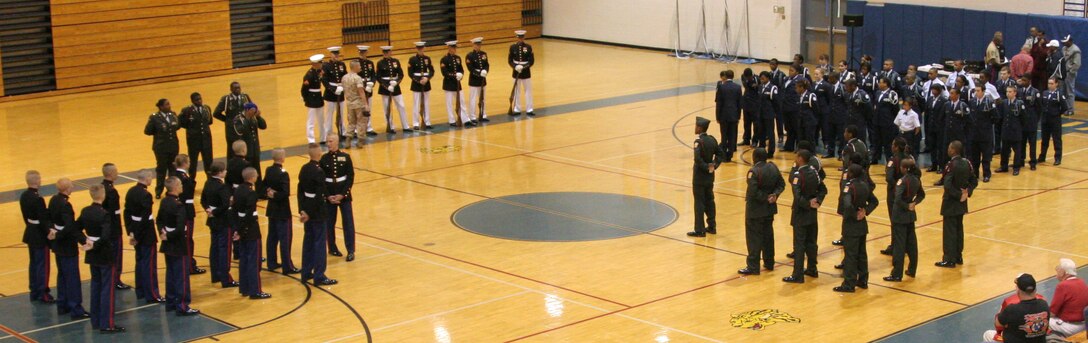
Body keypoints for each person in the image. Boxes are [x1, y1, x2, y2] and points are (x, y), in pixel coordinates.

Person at [78, 185, 124, 332]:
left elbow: (75, 227)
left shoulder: (85, 211)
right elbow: (105, 237)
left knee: (95, 286)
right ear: (102, 195)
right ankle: (107, 323)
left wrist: (86, 241)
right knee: (107, 289)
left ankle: (96, 320)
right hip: (104, 254)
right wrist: (95, 244)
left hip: (92, 255)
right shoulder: (104, 214)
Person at [157, 177, 200, 315]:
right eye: (180, 184)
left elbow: (159, 220)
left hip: (167, 243)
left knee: (170, 273)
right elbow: (181, 227)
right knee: (181, 275)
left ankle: (170, 302)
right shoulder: (179, 206)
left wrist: (163, 233)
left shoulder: (164, 201)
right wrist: (169, 235)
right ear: (175, 187)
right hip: (178, 244)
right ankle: (182, 305)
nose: (182, 186)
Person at [738, 147, 784, 275]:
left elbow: (753, 192)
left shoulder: (754, 171)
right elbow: (782, 184)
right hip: (769, 209)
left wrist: (765, 198)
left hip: (755, 210)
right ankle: (769, 262)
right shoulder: (773, 167)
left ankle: (753, 266)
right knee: (768, 236)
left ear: (755, 158)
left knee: (754, 238)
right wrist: (774, 195)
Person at [782, 150, 826, 284]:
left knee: (799, 244)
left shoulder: (798, 175)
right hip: (812, 213)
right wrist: (817, 201)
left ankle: (797, 275)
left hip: (801, 213)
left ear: (800, 159)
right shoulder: (814, 172)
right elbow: (823, 190)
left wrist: (807, 204)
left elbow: (797, 196)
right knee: (811, 242)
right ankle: (812, 269)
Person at [834, 164, 879, 293]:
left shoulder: (849, 186)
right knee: (862, 254)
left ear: (852, 173)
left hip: (851, 224)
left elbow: (847, 205)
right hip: (862, 225)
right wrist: (865, 211)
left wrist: (854, 215)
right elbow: (874, 201)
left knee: (850, 255)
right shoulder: (865, 185)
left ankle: (849, 283)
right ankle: (863, 280)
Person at [299, 143, 339, 286]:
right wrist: (309, 213)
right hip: (317, 212)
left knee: (308, 241)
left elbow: (300, 191)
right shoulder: (319, 171)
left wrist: (302, 210)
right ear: (319, 154)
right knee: (320, 243)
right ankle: (319, 275)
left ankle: (306, 272)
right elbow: (318, 194)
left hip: (306, 208)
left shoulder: (304, 169)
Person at [48, 178, 88, 318]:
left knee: (62, 275)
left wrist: (53, 232)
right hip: (66, 244)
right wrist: (83, 240)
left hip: (58, 245)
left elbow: (49, 218)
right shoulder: (66, 205)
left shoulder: (53, 199)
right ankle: (76, 308)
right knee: (72, 277)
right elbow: (70, 227)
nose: (73, 187)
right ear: (66, 189)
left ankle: (62, 304)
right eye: (71, 185)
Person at [935, 141, 977, 268]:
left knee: (949, 232)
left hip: (951, 202)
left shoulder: (951, 165)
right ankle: (958, 256)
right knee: (959, 229)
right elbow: (974, 180)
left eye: (949, 148)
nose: (948, 150)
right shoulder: (967, 163)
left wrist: (958, 195)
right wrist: (967, 192)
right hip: (962, 203)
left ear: (954, 150)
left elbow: (947, 185)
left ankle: (949, 259)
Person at [125, 170, 164, 303]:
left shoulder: (130, 191)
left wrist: (131, 232)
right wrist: (137, 234)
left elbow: (126, 213)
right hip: (145, 233)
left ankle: (140, 290)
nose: (151, 179)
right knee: (149, 264)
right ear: (147, 178)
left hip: (135, 229)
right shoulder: (146, 195)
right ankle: (152, 294)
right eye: (151, 177)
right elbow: (144, 218)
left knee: (140, 261)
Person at [233, 168, 271, 299]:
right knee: (253, 261)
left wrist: (237, 230)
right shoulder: (251, 193)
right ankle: (255, 290)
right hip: (251, 229)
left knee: (244, 259)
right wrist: (243, 230)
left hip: (241, 227)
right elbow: (249, 215)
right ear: (252, 178)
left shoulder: (238, 190)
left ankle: (244, 288)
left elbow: (235, 211)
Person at [885, 158, 923, 282]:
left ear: (905, 169)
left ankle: (897, 274)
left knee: (899, 246)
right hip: (910, 216)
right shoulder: (916, 180)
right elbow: (922, 194)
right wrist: (914, 203)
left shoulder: (902, 181)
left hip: (900, 216)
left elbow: (897, 198)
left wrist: (906, 206)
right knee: (912, 244)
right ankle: (912, 270)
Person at [200, 161, 237, 288]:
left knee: (214, 247)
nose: (226, 172)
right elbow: (226, 204)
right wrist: (215, 212)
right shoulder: (221, 186)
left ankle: (215, 275)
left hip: (212, 220)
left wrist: (208, 210)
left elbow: (203, 200)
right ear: (220, 172)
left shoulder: (208, 182)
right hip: (223, 220)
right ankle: (225, 278)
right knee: (224, 249)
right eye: (224, 170)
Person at [20, 170, 54, 303]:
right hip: (39, 235)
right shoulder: (38, 199)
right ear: (37, 181)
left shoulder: (24, 195)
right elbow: (43, 219)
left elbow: (25, 216)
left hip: (30, 232)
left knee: (33, 263)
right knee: (42, 265)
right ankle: (43, 292)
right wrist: (48, 232)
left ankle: (34, 290)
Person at [321, 135, 357, 260]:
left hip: (343, 195)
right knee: (329, 223)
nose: (328, 143)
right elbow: (322, 180)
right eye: (327, 141)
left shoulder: (345, 157)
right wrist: (327, 195)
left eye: (331, 141)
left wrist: (343, 194)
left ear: (336, 142)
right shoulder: (324, 159)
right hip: (330, 194)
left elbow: (350, 177)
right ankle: (332, 247)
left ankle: (351, 250)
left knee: (348, 223)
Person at [986, 274, 1050, 343]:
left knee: (987, 335)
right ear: (1035, 289)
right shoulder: (1044, 304)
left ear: (1017, 290)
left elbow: (998, 324)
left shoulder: (1011, 309)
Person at [688, 117, 724, 237]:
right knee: (710, 201)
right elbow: (720, 154)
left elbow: (697, 159)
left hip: (699, 177)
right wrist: (714, 165)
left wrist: (706, 167)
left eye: (696, 126)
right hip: (710, 177)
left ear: (699, 127)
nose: (695, 128)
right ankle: (712, 226)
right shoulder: (712, 140)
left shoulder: (698, 142)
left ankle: (700, 229)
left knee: (699, 203)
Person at [168, 156, 205, 275]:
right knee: (188, 239)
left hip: (180, 209)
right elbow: (187, 193)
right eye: (188, 161)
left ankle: (188, 263)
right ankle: (189, 266)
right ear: (184, 163)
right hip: (186, 209)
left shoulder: (174, 175)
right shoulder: (183, 178)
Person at [264, 149, 298, 274]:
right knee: (285, 238)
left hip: (271, 209)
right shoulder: (283, 173)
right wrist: (275, 195)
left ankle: (271, 262)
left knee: (272, 237)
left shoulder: (268, 170)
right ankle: (287, 266)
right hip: (282, 210)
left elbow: (263, 185)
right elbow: (285, 193)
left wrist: (269, 192)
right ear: (282, 158)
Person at [144, 98, 180, 199]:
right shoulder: (154, 117)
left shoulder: (173, 115)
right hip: (161, 147)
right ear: (161, 107)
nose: (169, 106)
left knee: (173, 169)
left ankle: (172, 190)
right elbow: (147, 131)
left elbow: (177, 126)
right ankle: (159, 191)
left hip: (173, 146)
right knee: (161, 169)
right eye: (167, 104)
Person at [1048, 258, 1088, 338]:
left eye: (1058, 270)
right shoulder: (1082, 282)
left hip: (1070, 327)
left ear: (1064, 272)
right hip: (1084, 324)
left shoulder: (1062, 286)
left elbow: (1052, 313)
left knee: (1042, 320)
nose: (1056, 272)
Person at [213, 81, 254, 157]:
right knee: (232, 150)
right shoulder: (226, 99)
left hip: (244, 127)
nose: (237, 89)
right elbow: (216, 113)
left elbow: (252, 109)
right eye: (235, 88)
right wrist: (228, 120)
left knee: (246, 148)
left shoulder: (245, 97)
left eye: (239, 88)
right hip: (231, 129)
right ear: (231, 89)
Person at [234, 103, 267, 195]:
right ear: (247, 110)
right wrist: (247, 118)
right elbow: (239, 131)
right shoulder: (238, 118)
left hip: (255, 149)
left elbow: (263, 126)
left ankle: (260, 192)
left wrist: (259, 117)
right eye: (252, 110)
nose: (254, 112)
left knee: (257, 171)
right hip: (245, 150)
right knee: (247, 172)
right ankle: (247, 191)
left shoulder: (254, 118)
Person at [178, 92, 214, 176]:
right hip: (193, 141)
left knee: (209, 161)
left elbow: (209, 121)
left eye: (200, 99)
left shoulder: (206, 108)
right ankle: (191, 181)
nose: (199, 101)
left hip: (206, 140)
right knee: (193, 163)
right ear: (192, 101)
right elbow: (181, 122)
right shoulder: (187, 110)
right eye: (197, 100)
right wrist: (192, 129)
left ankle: (210, 181)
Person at [377, 46, 411, 133]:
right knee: (387, 108)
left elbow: (400, 74)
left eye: (388, 52)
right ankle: (390, 126)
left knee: (401, 105)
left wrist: (396, 82)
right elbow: (378, 77)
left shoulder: (396, 61)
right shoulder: (380, 63)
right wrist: (387, 86)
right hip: (385, 87)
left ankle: (405, 126)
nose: (386, 53)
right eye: (385, 52)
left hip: (395, 86)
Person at [968, 85, 998, 182]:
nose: (976, 92)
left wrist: (987, 125)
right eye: (975, 90)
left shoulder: (989, 102)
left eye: (978, 90)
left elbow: (995, 117)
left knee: (986, 156)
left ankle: (986, 174)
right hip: (974, 133)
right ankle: (975, 174)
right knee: (974, 156)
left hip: (985, 133)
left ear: (983, 91)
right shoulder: (972, 102)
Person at [441, 40, 473, 127]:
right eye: (453, 48)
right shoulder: (444, 59)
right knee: (449, 103)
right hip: (448, 84)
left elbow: (461, 69)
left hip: (457, 84)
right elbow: (444, 73)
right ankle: (451, 120)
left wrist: (461, 75)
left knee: (462, 102)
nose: (455, 50)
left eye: (455, 48)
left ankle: (465, 119)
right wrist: (455, 75)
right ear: (449, 48)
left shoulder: (458, 58)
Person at [998, 86, 1027, 175]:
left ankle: (1016, 167)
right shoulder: (1004, 103)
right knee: (1004, 150)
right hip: (1006, 130)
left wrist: (1018, 127)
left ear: (1015, 93)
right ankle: (1004, 166)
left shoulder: (1019, 103)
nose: (1008, 93)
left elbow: (1024, 118)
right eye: (1007, 91)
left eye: (1010, 92)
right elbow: (1001, 117)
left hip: (1015, 131)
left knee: (1017, 151)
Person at [341, 59, 370, 145]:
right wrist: (366, 104)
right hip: (358, 103)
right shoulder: (357, 78)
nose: (360, 67)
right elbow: (361, 92)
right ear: (355, 67)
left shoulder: (344, 77)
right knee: (361, 122)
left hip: (349, 104)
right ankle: (360, 141)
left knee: (351, 122)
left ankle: (348, 140)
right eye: (359, 66)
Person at [1040, 78, 1069, 165]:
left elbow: (1064, 107)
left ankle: (1057, 158)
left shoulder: (1059, 94)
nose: (1050, 85)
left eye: (1052, 83)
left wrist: (1057, 114)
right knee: (1044, 139)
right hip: (1045, 120)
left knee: (1056, 139)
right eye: (1049, 83)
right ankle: (1042, 156)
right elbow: (1042, 104)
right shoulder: (1045, 93)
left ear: (1056, 84)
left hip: (1055, 120)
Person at [323, 47, 348, 140]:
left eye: (337, 54)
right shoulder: (326, 66)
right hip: (330, 94)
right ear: (331, 54)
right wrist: (333, 89)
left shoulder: (342, 64)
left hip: (340, 91)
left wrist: (343, 87)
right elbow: (324, 80)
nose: (336, 56)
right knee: (329, 115)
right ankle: (328, 134)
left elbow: (345, 77)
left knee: (341, 113)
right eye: (334, 54)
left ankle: (342, 131)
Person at [716, 70, 742, 161]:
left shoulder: (721, 87)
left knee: (724, 136)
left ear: (726, 76)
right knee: (731, 136)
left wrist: (717, 116)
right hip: (733, 115)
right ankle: (729, 155)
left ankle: (723, 155)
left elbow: (719, 103)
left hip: (723, 115)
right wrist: (738, 116)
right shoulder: (738, 87)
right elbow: (739, 104)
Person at [408, 42, 435, 130]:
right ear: (416, 49)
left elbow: (431, 71)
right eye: (419, 48)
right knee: (416, 104)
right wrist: (419, 81)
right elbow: (410, 73)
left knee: (426, 103)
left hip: (426, 83)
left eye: (421, 48)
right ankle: (416, 123)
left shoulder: (427, 58)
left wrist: (427, 78)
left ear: (424, 48)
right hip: (416, 84)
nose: (420, 49)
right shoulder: (412, 59)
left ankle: (427, 122)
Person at [1017, 74, 1041, 171]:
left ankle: (1033, 162)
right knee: (1021, 143)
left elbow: (1039, 108)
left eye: (1025, 80)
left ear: (1029, 81)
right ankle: (1021, 160)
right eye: (1022, 80)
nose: (1023, 82)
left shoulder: (1035, 92)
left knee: (1032, 143)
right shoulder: (1019, 91)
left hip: (1031, 122)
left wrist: (1035, 120)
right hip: (1021, 122)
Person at [874, 77, 900, 163]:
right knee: (876, 141)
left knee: (887, 143)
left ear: (885, 84)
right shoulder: (877, 93)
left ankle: (889, 160)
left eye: (880, 82)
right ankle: (875, 158)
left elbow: (895, 109)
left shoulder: (892, 94)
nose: (878, 84)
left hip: (887, 123)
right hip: (877, 121)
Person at [509, 30, 535, 115]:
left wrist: (523, 67)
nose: (520, 39)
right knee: (517, 90)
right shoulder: (512, 47)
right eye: (519, 37)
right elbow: (510, 60)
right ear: (517, 38)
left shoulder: (528, 47)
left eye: (522, 37)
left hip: (526, 71)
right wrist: (515, 66)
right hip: (516, 71)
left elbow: (531, 61)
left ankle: (529, 109)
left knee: (528, 90)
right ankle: (517, 108)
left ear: (524, 37)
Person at [304, 54, 328, 144]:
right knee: (311, 121)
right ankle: (311, 140)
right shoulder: (309, 75)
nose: (321, 64)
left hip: (318, 98)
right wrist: (307, 100)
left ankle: (323, 138)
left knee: (321, 120)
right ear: (315, 64)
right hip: (312, 99)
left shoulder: (319, 72)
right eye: (320, 62)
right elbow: (304, 90)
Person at [355, 46, 379, 136]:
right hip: (360, 88)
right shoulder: (356, 63)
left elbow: (373, 75)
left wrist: (372, 83)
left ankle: (368, 127)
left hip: (369, 88)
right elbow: (355, 76)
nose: (363, 53)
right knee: (359, 109)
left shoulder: (370, 63)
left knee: (368, 108)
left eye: (364, 52)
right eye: (361, 52)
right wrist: (362, 84)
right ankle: (358, 129)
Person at [925, 84, 949, 172]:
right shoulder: (929, 99)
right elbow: (927, 114)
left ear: (939, 91)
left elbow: (944, 116)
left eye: (935, 89)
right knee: (932, 147)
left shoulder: (944, 101)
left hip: (940, 128)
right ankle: (934, 164)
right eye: (932, 89)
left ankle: (941, 166)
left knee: (940, 148)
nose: (933, 91)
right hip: (931, 127)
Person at [466, 37, 490, 123]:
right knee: (473, 99)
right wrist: (479, 73)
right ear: (473, 45)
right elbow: (470, 68)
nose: (478, 46)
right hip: (474, 80)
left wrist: (485, 71)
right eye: (477, 44)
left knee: (482, 98)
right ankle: (472, 116)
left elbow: (487, 65)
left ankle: (483, 114)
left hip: (482, 80)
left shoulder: (484, 54)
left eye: (479, 44)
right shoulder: (469, 56)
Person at [781, 65, 804, 152]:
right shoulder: (786, 79)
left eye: (792, 71)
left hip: (795, 108)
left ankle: (798, 147)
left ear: (797, 72)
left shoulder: (801, 80)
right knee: (788, 128)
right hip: (786, 107)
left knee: (796, 128)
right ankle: (789, 146)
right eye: (789, 70)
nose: (790, 72)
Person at [825, 72, 848, 158]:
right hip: (831, 115)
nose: (828, 79)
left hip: (840, 115)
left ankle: (840, 153)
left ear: (835, 78)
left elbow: (846, 101)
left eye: (830, 78)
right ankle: (830, 152)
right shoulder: (829, 87)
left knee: (841, 136)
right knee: (830, 135)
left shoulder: (842, 88)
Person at [757, 72, 779, 156]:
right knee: (761, 132)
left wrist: (774, 113)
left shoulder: (773, 88)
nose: (761, 80)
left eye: (763, 78)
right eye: (760, 78)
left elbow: (776, 102)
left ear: (768, 78)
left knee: (770, 133)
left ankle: (771, 151)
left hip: (769, 114)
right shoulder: (760, 87)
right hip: (760, 114)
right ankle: (761, 149)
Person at [844, 79, 871, 143]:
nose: (846, 88)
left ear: (853, 86)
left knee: (860, 141)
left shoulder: (862, 94)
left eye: (847, 87)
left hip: (859, 122)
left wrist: (863, 119)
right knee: (849, 140)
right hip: (850, 121)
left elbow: (869, 109)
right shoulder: (848, 94)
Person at [740, 68, 760, 147]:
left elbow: (757, 88)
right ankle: (746, 139)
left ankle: (755, 140)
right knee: (746, 123)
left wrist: (756, 85)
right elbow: (747, 85)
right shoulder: (743, 77)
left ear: (752, 75)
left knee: (756, 124)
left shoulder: (757, 78)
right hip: (746, 103)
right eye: (747, 77)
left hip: (755, 104)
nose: (748, 78)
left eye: (749, 77)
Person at [1062, 36, 1080, 115]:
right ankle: (1064, 107)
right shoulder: (1064, 48)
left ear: (1070, 41)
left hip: (1069, 73)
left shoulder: (1076, 50)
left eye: (1066, 41)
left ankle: (1070, 109)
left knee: (1070, 92)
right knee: (1064, 91)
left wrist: (1071, 72)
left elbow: (1077, 64)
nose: (1064, 43)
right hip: (1063, 72)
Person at [797, 79, 819, 144]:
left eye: (797, 88)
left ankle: (812, 153)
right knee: (801, 138)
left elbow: (816, 109)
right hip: (801, 121)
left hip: (809, 121)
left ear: (802, 88)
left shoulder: (810, 96)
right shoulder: (799, 96)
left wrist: (813, 119)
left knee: (810, 139)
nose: (796, 89)